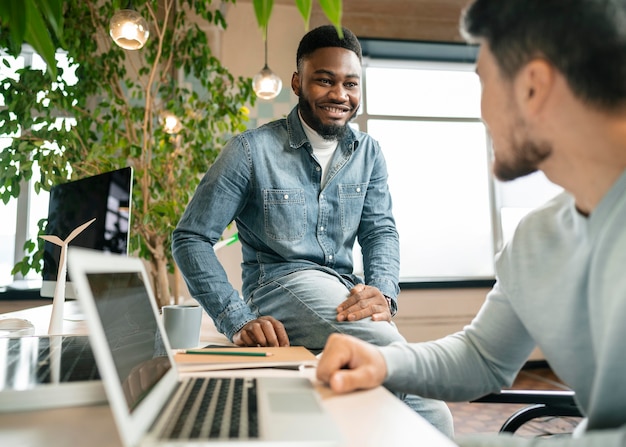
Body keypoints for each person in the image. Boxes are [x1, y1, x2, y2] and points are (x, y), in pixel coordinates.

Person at [316, 0, 626, 446]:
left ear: (533, 88)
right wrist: (384, 362)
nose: (481, 110)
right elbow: (483, 356)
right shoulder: (538, 240)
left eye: (482, 81)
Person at [172, 25, 453, 436]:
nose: (340, 95)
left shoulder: (369, 152)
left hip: (342, 288)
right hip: (279, 284)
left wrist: (384, 292)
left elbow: (380, 231)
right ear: (298, 82)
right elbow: (190, 237)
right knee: (408, 376)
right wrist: (235, 318)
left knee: (406, 409)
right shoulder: (249, 151)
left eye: (350, 84)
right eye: (325, 80)